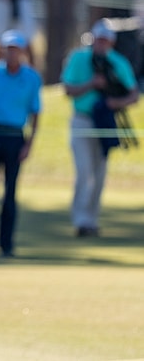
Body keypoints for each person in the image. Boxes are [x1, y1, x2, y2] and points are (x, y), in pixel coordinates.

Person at [61, 19, 139, 238]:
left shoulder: (118, 62)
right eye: (99, 40)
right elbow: (68, 89)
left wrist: (115, 103)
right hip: (82, 119)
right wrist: (91, 85)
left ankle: (92, 219)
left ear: (111, 43)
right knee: (84, 171)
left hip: (105, 122)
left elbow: (133, 94)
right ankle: (81, 220)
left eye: (106, 41)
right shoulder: (79, 58)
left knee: (99, 172)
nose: (101, 44)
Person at [0, 30, 41, 257]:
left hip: (15, 136)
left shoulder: (31, 77)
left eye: (16, 49)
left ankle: (6, 244)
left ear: (22, 51)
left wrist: (29, 145)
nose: (12, 53)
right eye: (8, 49)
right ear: (3, 50)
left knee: (10, 193)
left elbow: (35, 113)